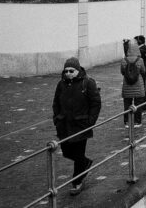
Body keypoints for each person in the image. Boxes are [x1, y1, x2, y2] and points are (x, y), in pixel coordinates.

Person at [52, 57, 101, 196]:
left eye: (71, 71)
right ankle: (85, 163)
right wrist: (56, 118)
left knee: (78, 154)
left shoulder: (88, 83)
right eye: (66, 71)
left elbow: (96, 103)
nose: (68, 73)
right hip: (64, 126)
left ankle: (76, 182)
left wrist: (90, 122)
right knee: (67, 152)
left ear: (78, 70)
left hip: (81, 125)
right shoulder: (61, 84)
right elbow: (56, 103)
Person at [121, 39, 146, 128]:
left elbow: (122, 72)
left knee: (127, 104)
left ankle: (127, 121)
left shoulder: (124, 60)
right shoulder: (140, 60)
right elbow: (143, 71)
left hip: (127, 84)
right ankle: (137, 122)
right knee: (138, 104)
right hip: (138, 84)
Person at [135, 35, 146, 115]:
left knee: (142, 90)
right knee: (142, 90)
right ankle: (142, 108)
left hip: (142, 73)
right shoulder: (143, 48)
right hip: (141, 73)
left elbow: (136, 56)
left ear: (139, 41)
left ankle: (144, 108)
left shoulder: (143, 49)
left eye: (136, 41)